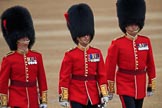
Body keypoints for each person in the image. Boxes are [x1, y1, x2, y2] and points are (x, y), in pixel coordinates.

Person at [105, 0, 156, 108]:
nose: (134, 27)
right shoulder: (117, 43)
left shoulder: (145, 41)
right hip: (124, 83)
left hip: (140, 83)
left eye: (136, 24)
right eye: (130, 24)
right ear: (125, 26)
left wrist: (151, 83)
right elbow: (110, 67)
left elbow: (150, 64)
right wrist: (109, 88)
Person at [58, 3, 109, 108]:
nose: (86, 37)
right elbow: (64, 77)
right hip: (76, 95)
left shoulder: (96, 52)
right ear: (77, 37)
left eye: (88, 34)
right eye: (83, 35)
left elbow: (101, 75)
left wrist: (104, 93)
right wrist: (64, 96)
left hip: (93, 95)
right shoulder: (70, 55)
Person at [0, 6, 48, 108]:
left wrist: (43, 100)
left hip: (33, 101)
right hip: (16, 101)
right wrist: (3, 104)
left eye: (27, 36)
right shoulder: (9, 59)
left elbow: (42, 80)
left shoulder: (37, 56)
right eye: (22, 36)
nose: (26, 38)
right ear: (16, 39)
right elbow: (3, 84)